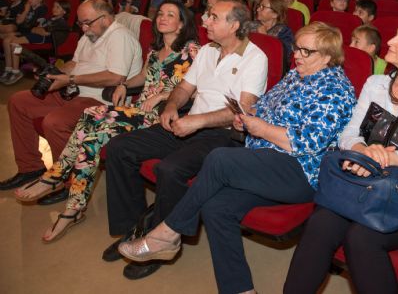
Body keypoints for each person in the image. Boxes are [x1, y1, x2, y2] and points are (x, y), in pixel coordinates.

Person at [117, 22, 356, 293]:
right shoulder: (296, 76)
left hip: (301, 172)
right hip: (266, 161)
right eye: (296, 48)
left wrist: (261, 128)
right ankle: (240, 289)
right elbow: (263, 105)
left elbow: (306, 141)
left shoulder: (335, 89)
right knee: (216, 207)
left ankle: (168, 233)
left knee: (220, 159)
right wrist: (249, 119)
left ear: (326, 56)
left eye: (306, 51)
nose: (297, 55)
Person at [285, 15, 398, 293]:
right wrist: (362, 151)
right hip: (365, 179)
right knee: (320, 223)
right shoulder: (376, 83)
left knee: (361, 237)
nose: (389, 41)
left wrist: (381, 160)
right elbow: (349, 133)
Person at [102, 0, 268, 280]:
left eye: (214, 17)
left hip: (223, 135)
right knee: (119, 148)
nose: (205, 21)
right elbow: (185, 87)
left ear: (235, 25)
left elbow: (244, 110)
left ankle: (162, 241)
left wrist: (198, 120)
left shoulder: (255, 57)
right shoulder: (206, 51)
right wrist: (170, 107)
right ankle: (137, 227)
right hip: (189, 122)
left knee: (170, 168)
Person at [14, 0, 200, 242]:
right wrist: (123, 84)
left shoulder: (193, 50)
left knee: (92, 115)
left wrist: (165, 95)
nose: (162, 18)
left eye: (171, 15)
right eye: (161, 13)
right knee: (92, 131)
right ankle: (73, 207)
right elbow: (143, 76)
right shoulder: (155, 50)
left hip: (163, 115)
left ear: (181, 23)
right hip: (139, 111)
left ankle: (56, 177)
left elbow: (201, 88)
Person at [0, 0, 143, 197]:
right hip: (74, 92)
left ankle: (68, 182)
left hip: (102, 101)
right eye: (80, 23)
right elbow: (75, 64)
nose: (83, 28)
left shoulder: (120, 37)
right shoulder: (90, 35)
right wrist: (55, 73)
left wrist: (70, 79)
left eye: (87, 22)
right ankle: (30, 168)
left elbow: (115, 77)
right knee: (18, 101)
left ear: (106, 18)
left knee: (55, 122)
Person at [1, 0, 70, 85]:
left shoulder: (61, 22)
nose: (54, 8)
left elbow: (46, 32)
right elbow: (35, 29)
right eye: (54, 6)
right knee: (6, 40)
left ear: (64, 11)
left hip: (42, 39)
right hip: (36, 36)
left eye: (58, 7)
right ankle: (8, 69)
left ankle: (16, 71)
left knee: (15, 44)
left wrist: (37, 30)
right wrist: (37, 29)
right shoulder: (50, 19)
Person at [247, 0, 295, 66]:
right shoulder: (250, 25)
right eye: (259, 6)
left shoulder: (284, 32)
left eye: (263, 7)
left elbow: (282, 58)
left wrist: (264, 37)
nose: (258, 9)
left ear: (275, 14)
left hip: (269, 68)